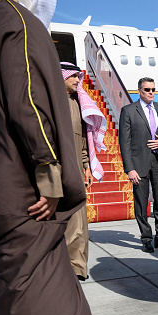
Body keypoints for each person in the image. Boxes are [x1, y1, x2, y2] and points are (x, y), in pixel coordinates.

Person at [0, 0, 99, 315]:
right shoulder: (18, 21)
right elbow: (30, 104)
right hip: (19, 187)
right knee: (34, 282)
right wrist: (49, 178)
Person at [61, 62, 107, 281]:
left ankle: (77, 267)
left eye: (79, 77)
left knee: (78, 220)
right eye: (74, 77)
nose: (78, 81)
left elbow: (82, 142)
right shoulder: (51, 103)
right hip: (53, 168)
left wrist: (87, 166)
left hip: (76, 169)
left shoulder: (78, 103)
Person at [119, 78, 158, 252]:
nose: (151, 92)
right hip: (139, 163)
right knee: (142, 203)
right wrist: (129, 168)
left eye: (153, 89)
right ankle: (146, 238)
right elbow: (124, 142)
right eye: (147, 90)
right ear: (139, 91)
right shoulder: (128, 111)